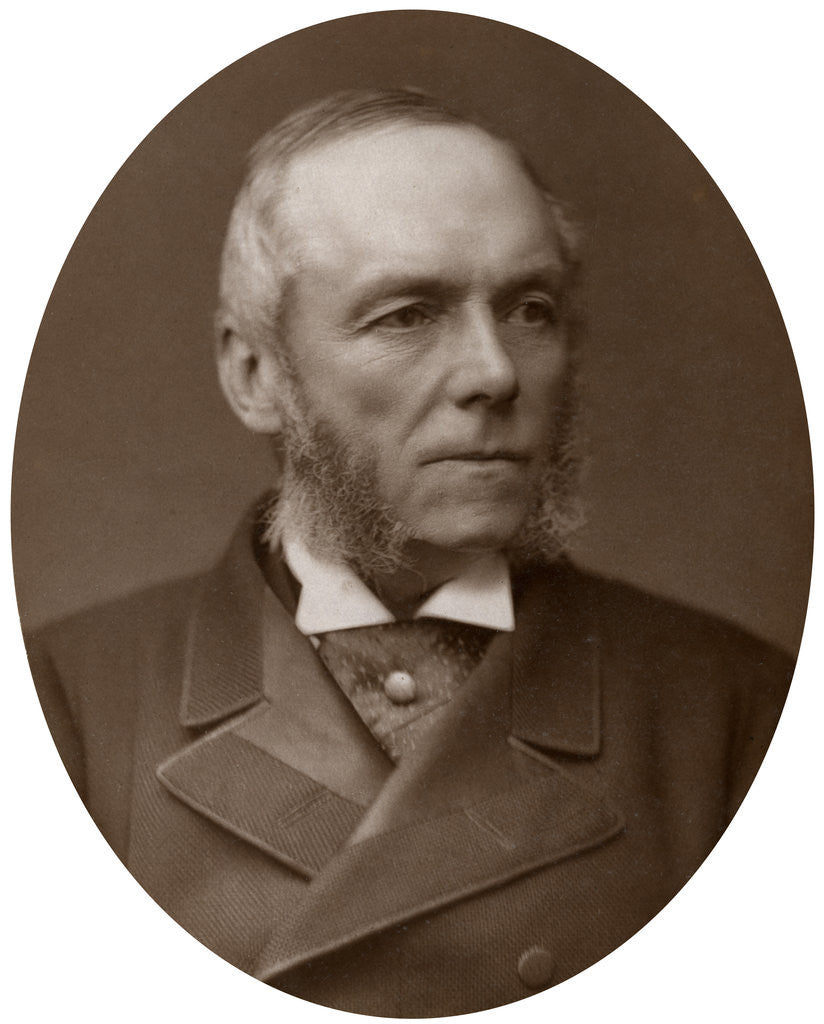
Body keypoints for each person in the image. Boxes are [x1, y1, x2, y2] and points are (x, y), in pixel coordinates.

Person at [25, 89, 793, 1017]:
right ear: (255, 373)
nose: (495, 372)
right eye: (406, 315)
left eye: (531, 309)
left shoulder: (741, 712)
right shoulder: (62, 706)